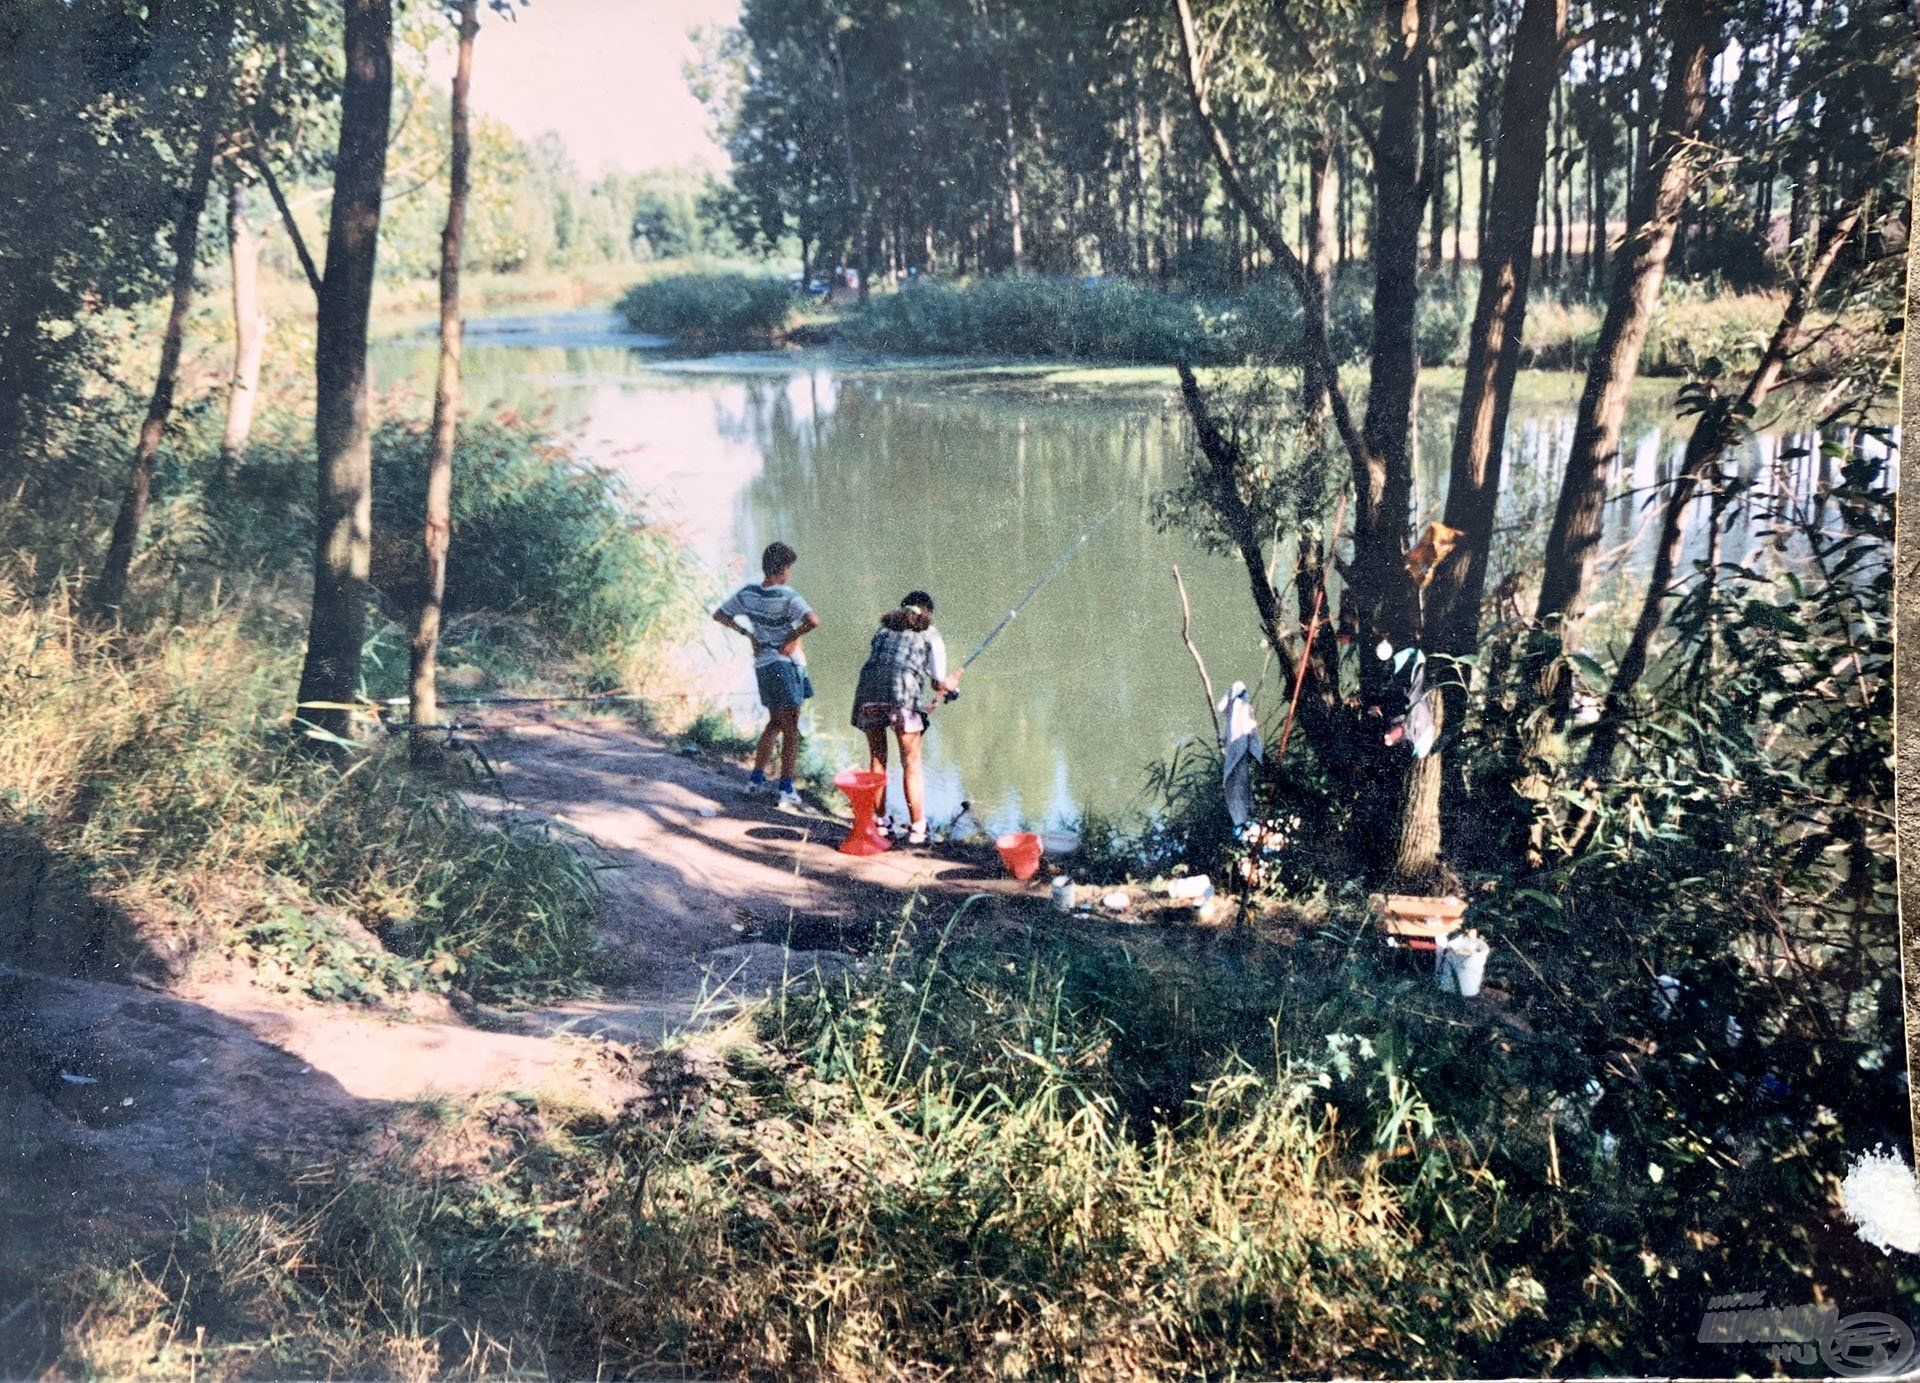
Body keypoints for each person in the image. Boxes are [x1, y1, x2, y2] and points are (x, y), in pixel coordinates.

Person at [713, 541, 819, 811]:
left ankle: (755, 779)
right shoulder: (787, 595)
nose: (790, 572)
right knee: (791, 730)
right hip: (785, 665)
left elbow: (720, 615)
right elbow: (813, 620)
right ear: (783, 568)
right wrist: (792, 637)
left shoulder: (748, 593)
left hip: (763, 665)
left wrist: (748, 634)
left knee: (774, 723)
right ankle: (785, 789)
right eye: (789, 568)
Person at [851, 590, 961, 844]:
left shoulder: (883, 630)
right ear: (928, 612)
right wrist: (951, 685)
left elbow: (885, 664)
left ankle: (881, 822)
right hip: (902, 698)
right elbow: (938, 682)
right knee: (910, 762)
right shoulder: (930, 634)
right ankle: (918, 829)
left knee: (877, 759)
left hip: (868, 692)